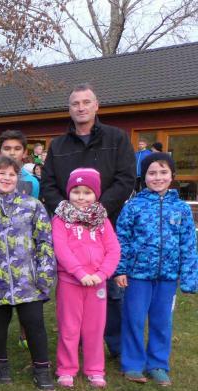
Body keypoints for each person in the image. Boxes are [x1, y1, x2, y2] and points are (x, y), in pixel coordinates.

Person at [40, 83, 135, 361]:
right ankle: (77, 344)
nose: (80, 108)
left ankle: (116, 346)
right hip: (68, 230)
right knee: (73, 287)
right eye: (75, 103)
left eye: (86, 102)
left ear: (96, 106)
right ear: (69, 109)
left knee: (110, 290)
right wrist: (65, 210)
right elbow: (48, 184)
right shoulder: (58, 145)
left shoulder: (117, 138)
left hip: (105, 225)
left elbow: (126, 179)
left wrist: (99, 209)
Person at [115, 153, 198, 386]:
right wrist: (120, 270)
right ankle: (132, 364)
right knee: (134, 319)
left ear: (172, 176)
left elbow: (188, 244)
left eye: (163, 172)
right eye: (152, 173)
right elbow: (121, 240)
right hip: (137, 275)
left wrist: (189, 278)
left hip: (168, 277)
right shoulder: (133, 206)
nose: (158, 177)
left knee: (162, 321)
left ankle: (158, 364)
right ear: (144, 177)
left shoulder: (181, 209)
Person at [0, 156, 55, 391]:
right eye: (1, 173)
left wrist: (45, 274)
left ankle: (42, 369)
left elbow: (45, 242)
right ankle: (0, 365)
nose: (6, 178)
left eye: (11, 174)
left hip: (28, 281)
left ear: (17, 178)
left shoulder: (33, 206)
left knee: (34, 324)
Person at [52, 168, 120, 389]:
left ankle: (95, 370)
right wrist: (80, 273)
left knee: (94, 329)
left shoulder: (102, 220)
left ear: (96, 194)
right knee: (69, 327)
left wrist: (101, 274)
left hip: (97, 283)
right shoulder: (60, 219)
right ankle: (66, 369)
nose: (81, 197)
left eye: (87, 192)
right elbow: (61, 249)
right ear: (69, 192)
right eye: (76, 191)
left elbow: (113, 250)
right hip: (70, 282)